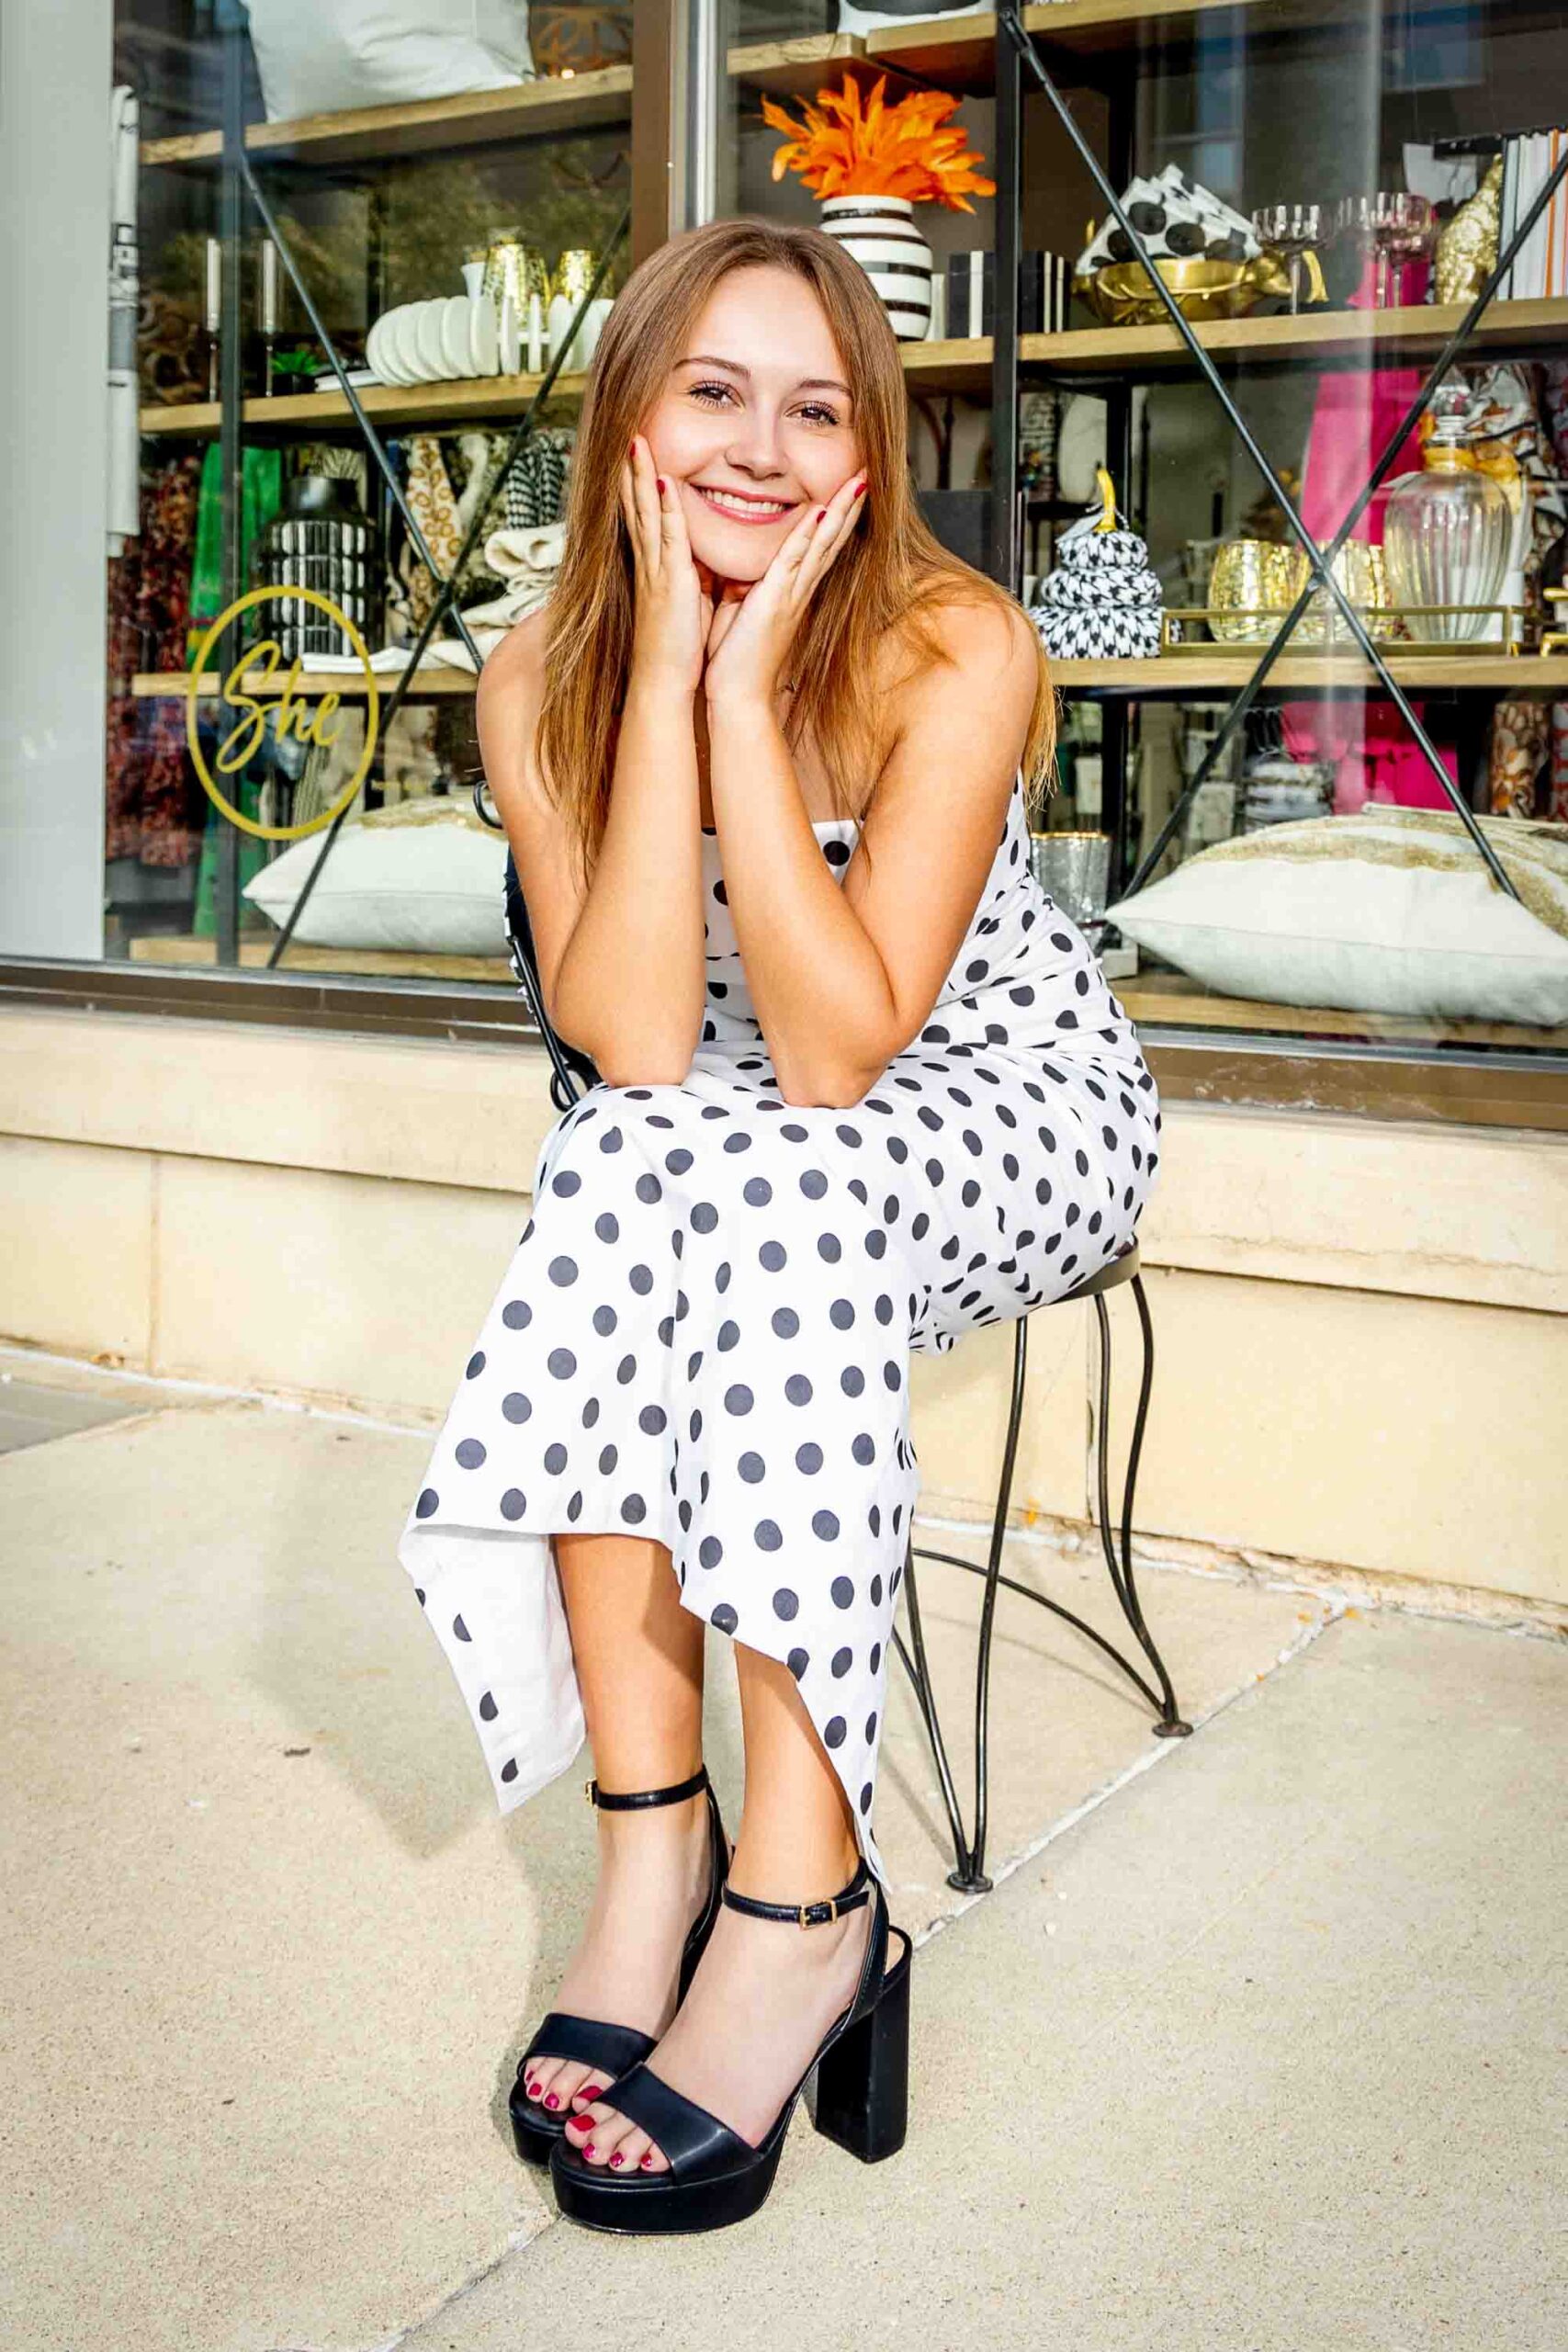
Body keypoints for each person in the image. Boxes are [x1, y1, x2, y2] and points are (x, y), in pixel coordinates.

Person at [397, 215, 1161, 2233]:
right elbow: (642, 1033)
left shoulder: (951, 639)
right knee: (632, 1151)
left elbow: (835, 1052)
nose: (756, 446)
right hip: (717, 1123)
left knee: (765, 1163)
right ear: (626, 413)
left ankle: (800, 1895)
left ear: (869, 449)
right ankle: (654, 1854)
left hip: (997, 1102)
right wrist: (657, 665)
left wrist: (748, 696)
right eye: (711, 390)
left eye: (813, 407)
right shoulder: (534, 680)